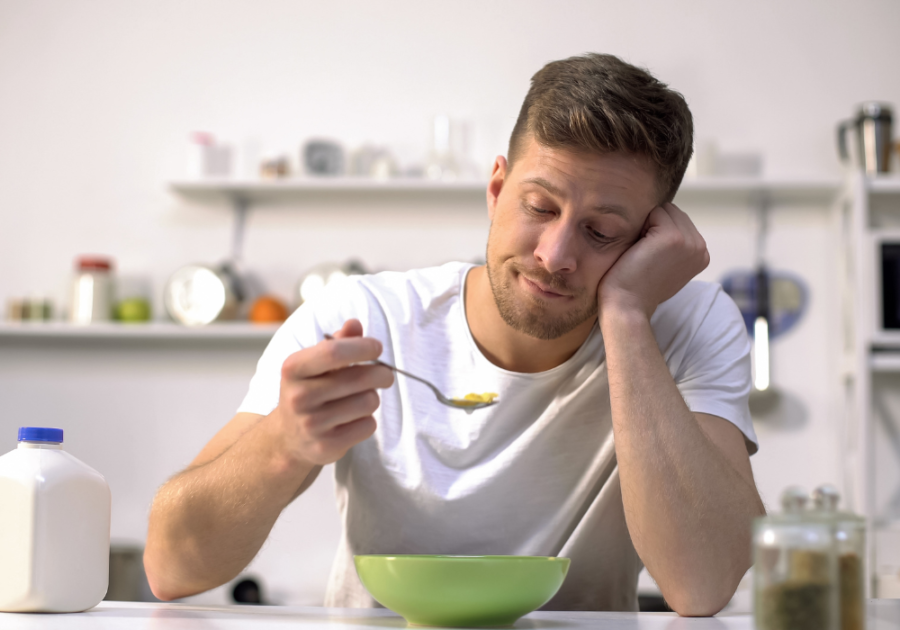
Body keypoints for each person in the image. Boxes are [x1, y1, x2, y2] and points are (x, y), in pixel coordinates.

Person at [144, 53, 765, 616]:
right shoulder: (363, 318)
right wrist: (284, 443)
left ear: (649, 240)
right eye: (540, 208)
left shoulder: (687, 323)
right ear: (496, 190)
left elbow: (703, 585)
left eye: (602, 231)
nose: (554, 254)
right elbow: (171, 568)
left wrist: (627, 313)